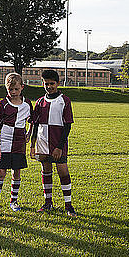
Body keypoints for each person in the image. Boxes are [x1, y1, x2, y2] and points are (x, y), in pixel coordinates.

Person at [30, 69, 77, 217]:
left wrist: (59, 146)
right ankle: (48, 202)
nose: (49, 86)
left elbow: (67, 125)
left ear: (57, 83)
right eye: (46, 84)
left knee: (63, 171)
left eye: (52, 83)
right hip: (43, 142)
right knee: (46, 170)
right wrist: (32, 145)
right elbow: (35, 124)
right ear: (42, 84)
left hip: (58, 143)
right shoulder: (39, 102)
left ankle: (68, 206)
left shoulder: (65, 100)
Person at [0, 73, 32, 218]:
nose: (13, 92)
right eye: (10, 89)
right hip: (5, 142)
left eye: (16, 89)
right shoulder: (3, 104)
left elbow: (32, 121)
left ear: (22, 88)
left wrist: (29, 133)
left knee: (16, 172)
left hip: (19, 143)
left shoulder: (27, 104)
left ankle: (14, 201)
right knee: (1, 172)